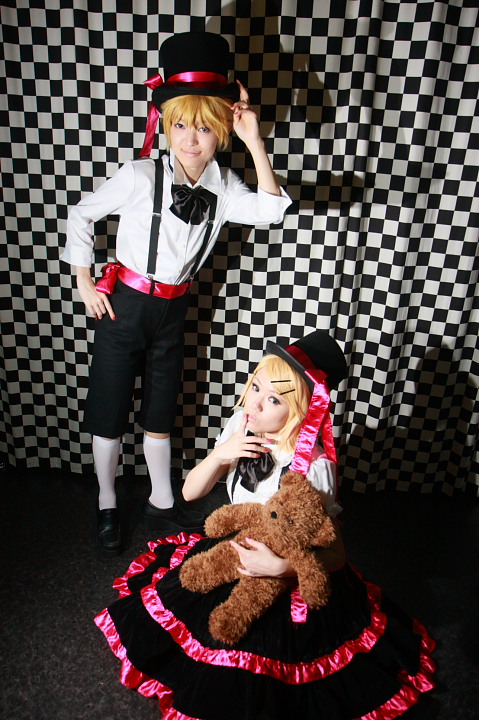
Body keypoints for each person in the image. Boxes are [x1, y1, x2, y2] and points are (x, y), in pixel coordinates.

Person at [94, 330, 436, 720]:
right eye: (255, 387)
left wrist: (281, 567)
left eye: (273, 399)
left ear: (300, 409)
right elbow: (189, 493)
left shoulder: (313, 466)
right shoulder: (242, 424)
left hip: (287, 569)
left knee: (256, 666)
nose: (254, 404)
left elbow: (336, 553)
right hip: (236, 544)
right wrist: (221, 455)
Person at [60, 31, 292, 556]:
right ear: (165, 124)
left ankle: (162, 500)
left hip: (174, 308)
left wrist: (254, 141)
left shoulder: (223, 186)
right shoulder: (140, 175)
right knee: (110, 408)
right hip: (124, 306)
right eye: (181, 125)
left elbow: (271, 210)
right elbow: (81, 215)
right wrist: (83, 281)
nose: (191, 140)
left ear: (223, 130)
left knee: (162, 408)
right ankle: (106, 501)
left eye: (205, 127)